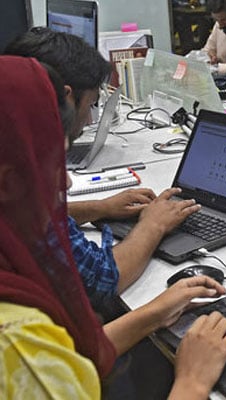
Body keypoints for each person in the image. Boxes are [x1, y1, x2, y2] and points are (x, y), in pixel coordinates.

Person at [0, 55, 226, 399]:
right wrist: (192, 384)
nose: (65, 183)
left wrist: (154, 313)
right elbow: (45, 361)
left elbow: (72, 357)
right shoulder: (18, 348)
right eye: (52, 162)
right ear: (8, 183)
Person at [4, 29, 202, 311]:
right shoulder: (19, 163)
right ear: (66, 98)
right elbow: (100, 280)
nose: (88, 120)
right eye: (92, 104)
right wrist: (153, 225)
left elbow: (19, 214)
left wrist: (99, 207)